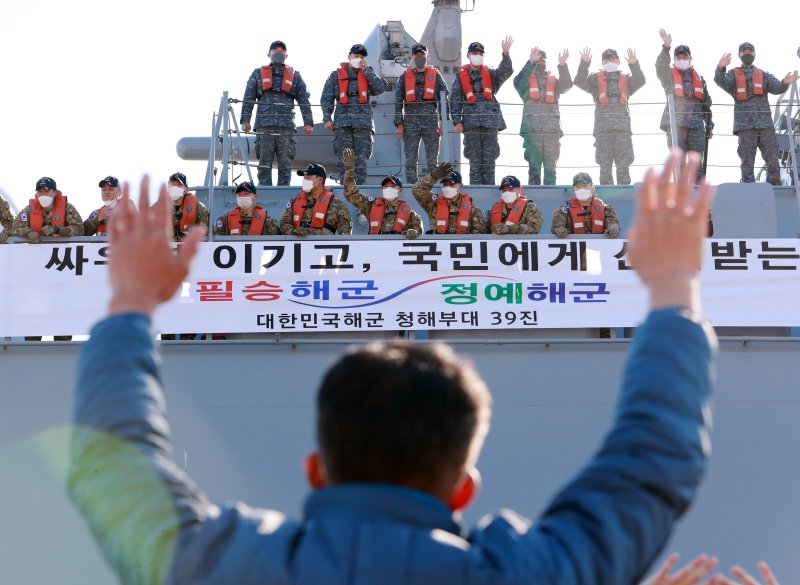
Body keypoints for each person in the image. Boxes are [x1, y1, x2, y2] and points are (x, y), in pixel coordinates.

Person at [68, 152, 717, 583]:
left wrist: (129, 303)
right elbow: (654, 459)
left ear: (315, 469)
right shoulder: (530, 572)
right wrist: (674, 287)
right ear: (465, 485)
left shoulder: (231, 565)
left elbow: (114, 471)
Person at [714, 42, 799, 185]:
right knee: (747, 161)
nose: (747, 54)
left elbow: (777, 87)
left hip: (765, 125)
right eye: (744, 52)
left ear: (754, 54)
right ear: (739, 55)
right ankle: (748, 189)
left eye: (750, 51)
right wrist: (721, 68)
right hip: (745, 126)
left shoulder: (763, 75)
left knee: (772, 159)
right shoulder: (733, 75)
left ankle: (775, 189)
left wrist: (785, 82)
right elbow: (720, 80)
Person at [240, 40, 314, 186]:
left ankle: (284, 192)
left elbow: (303, 99)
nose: (278, 55)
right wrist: (245, 120)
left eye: (281, 53)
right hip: (264, 124)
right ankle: (264, 191)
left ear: (286, 55)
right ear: (269, 54)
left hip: (286, 126)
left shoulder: (295, 76)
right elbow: (248, 97)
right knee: (264, 163)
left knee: (285, 163)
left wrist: (308, 122)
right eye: (275, 52)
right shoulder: (258, 74)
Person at [574, 47, 646, 185]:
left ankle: (624, 195)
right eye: (607, 59)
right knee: (605, 167)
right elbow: (579, 82)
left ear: (618, 61)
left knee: (623, 166)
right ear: (602, 63)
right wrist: (584, 63)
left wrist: (634, 64)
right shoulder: (595, 79)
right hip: (603, 130)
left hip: (623, 130)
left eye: (612, 58)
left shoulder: (626, 79)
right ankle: (607, 199)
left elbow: (641, 80)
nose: (610, 61)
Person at [449, 37, 514, 185]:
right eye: (474, 53)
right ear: (468, 55)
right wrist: (457, 121)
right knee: (475, 161)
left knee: (490, 160)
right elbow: (454, 99)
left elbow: (506, 72)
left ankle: (490, 192)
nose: (477, 56)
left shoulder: (490, 74)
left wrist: (505, 54)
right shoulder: (461, 76)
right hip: (471, 123)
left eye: (480, 53)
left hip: (490, 121)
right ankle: (477, 193)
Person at [320, 44, 388, 184]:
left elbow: (381, 88)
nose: (359, 59)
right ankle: (345, 191)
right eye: (356, 56)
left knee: (361, 161)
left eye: (362, 57)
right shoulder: (335, 76)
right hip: (342, 123)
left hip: (363, 124)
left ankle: (360, 191)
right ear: (349, 57)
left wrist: (367, 71)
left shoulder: (368, 74)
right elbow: (326, 97)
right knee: (344, 161)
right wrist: (327, 118)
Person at [656, 31, 714, 182]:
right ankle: (680, 195)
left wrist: (709, 125)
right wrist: (666, 47)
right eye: (679, 58)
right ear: (674, 60)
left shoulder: (700, 79)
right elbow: (660, 66)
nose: (682, 60)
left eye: (684, 57)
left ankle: (696, 194)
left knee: (696, 164)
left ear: (690, 59)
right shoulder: (668, 76)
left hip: (696, 127)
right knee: (678, 163)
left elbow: (706, 104)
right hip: (676, 125)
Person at [513, 47, 573, 185]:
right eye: (537, 60)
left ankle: (550, 200)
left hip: (552, 131)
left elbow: (566, 86)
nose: (540, 63)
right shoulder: (526, 81)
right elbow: (517, 83)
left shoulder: (554, 81)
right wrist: (530, 63)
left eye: (542, 60)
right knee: (534, 171)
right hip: (532, 130)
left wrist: (563, 66)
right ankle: (534, 202)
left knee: (551, 170)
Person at [394, 43, 449, 184]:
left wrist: (443, 123)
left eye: (422, 55)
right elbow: (398, 101)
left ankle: (431, 185)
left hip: (430, 120)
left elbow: (444, 99)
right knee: (411, 158)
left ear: (427, 57)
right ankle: (413, 185)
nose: (419, 57)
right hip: (410, 120)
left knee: (432, 158)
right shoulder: (404, 77)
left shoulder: (436, 76)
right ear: (412, 57)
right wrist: (399, 124)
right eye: (417, 55)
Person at [342, 148, 423, 238]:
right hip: (375, 248)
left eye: (392, 187)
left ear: (400, 190)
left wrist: (414, 231)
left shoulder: (410, 213)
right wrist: (349, 170)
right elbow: (351, 194)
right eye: (386, 187)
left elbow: (418, 230)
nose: (389, 189)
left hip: (396, 249)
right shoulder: (370, 206)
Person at [279, 163, 352, 235]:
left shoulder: (338, 205)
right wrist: (293, 231)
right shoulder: (293, 202)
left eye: (308, 178)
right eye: (304, 178)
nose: (304, 181)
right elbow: (283, 223)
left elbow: (346, 234)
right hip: (298, 245)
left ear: (320, 180)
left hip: (323, 246)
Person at [412, 165, 486, 234]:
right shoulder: (433, 204)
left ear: (460, 186)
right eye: (445, 184)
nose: (447, 187)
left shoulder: (473, 211)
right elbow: (417, 190)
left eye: (451, 184)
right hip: (438, 246)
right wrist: (433, 176)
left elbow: (479, 236)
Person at [10, 177, 84, 243]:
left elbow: (80, 230)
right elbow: (11, 230)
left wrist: (57, 229)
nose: (43, 195)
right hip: (35, 252)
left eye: (46, 191)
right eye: (40, 192)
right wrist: (26, 232)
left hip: (61, 252)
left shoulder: (67, 208)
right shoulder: (29, 210)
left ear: (55, 193)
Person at [551, 171, 620, 238]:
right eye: (578, 187)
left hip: (599, 247)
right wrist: (559, 228)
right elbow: (558, 224)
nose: (581, 189)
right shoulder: (564, 210)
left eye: (585, 186)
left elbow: (613, 223)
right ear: (574, 190)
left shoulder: (606, 209)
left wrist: (613, 228)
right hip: (575, 248)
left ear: (592, 188)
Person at [213, 181, 280, 236]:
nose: (243, 197)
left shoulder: (269, 221)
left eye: (246, 194)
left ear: (255, 196)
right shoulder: (225, 220)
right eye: (240, 195)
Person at [166, 172, 208, 242]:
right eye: (172, 185)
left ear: (186, 189)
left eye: (179, 185)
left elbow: (204, 232)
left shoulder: (200, 209)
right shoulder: (159, 208)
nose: (174, 188)